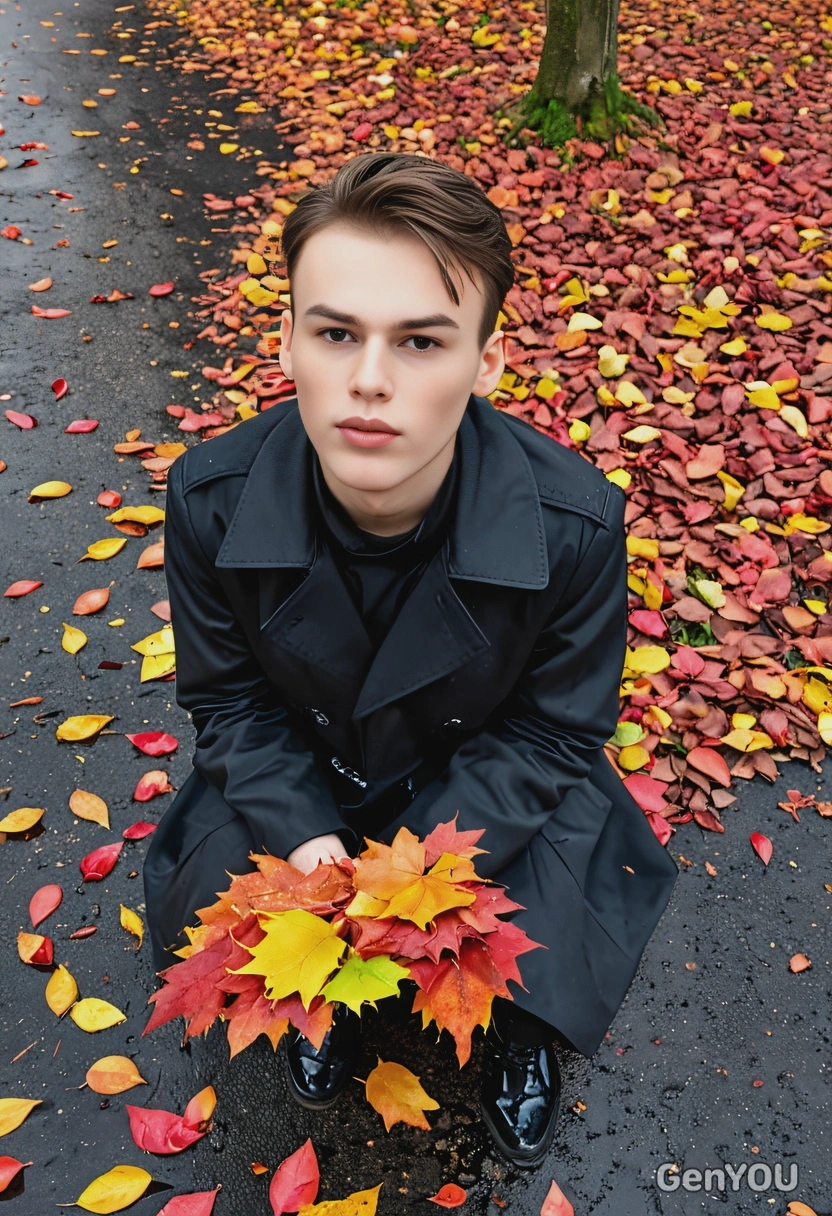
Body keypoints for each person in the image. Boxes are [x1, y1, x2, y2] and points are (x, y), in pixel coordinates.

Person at [143, 152, 678, 1169]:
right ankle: (320, 1003)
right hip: (308, 773)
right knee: (230, 870)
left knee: (553, 897)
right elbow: (232, 702)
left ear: (486, 360)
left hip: (482, 786)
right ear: (290, 339)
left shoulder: (573, 523)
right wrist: (306, 842)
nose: (370, 380)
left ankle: (517, 1027)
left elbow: (556, 728)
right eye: (335, 331)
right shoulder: (211, 499)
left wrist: (416, 867)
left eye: (421, 340)